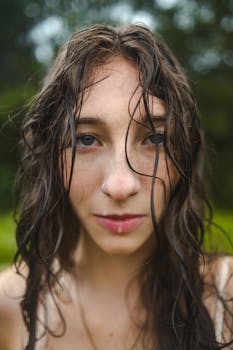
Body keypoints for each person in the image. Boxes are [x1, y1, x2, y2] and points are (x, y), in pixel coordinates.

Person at [0, 23, 232, 350]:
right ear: (51, 156)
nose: (121, 185)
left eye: (154, 138)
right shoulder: (8, 309)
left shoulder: (227, 296)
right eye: (86, 139)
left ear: (185, 151)